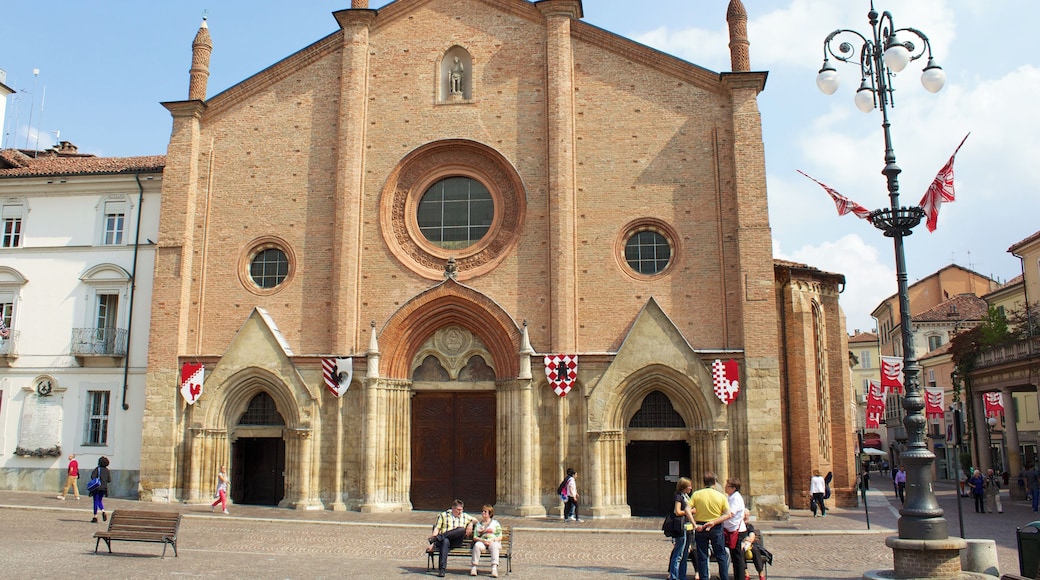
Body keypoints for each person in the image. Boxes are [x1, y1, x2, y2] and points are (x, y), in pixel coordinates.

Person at [691, 471, 732, 580]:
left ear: (703, 482)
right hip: (716, 526)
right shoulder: (721, 496)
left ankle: (704, 578)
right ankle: (724, 578)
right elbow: (728, 514)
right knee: (721, 555)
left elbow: (687, 510)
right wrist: (714, 522)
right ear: (715, 482)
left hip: (701, 526)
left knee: (702, 555)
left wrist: (694, 524)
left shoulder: (696, 494)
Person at [427, 498, 476, 577]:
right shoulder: (443, 515)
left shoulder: (465, 516)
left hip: (456, 541)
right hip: (444, 542)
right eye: (458, 510)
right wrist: (433, 543)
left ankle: (438, 538)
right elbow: (437, 528)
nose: (460, 512)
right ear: (453, 508)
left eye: (461, 510)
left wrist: (470, 524)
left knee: (461, 529)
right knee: (445, 541)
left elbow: (476, 520)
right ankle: (442, 569)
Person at [667, 477, 695, 580]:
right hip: (681, 527)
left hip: (688, 527)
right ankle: (674, 576)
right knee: (678, 554)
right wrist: (691, 512)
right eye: (689, 486)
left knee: (685, 554)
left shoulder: (686, 496)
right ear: (683, 487)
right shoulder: (678, 497)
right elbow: (677, 512)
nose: (691, 488)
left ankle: (682, 576)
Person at [723, 478, 748, 580]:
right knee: (735, 557)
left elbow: (730, 513)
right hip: (731, 529)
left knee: (737, 558)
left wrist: (716, 520)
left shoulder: (735, 498)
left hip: (736, 531)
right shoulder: (731, 497)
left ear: (733, 488)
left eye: (727, 486)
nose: (725, 487)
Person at [470, 504, 502, 578]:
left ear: (490, 513)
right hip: (482, 541)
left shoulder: (495, 523)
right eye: (482, 511)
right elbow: (475, 537)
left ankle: (494, 568)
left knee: (495, 546)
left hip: (492, 541)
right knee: (477, 545)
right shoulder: (479, 524)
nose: (483, 513)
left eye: (485, 511)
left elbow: (500, 536)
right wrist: (482, 540)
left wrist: (493, 540)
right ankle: (474, 567)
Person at [740, 512, 770, 580]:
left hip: (750, 545)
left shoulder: (750, 526)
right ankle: (746, 573)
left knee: (755, 550)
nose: (746, 517)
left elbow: (752, 537)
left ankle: (761, 572)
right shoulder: (738, 526)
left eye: (747, 515)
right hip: (741, 546)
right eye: (744, 515)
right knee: (740, 551)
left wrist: (747, 540)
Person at [89, 456, 111, 523]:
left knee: (96, 501)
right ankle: (103, 511)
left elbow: (92, 477)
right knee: (100, 500)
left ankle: (95, 516)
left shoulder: (97, 469)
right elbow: (109, 480)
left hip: (97, 487)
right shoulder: (107, 470)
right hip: (104, 488)